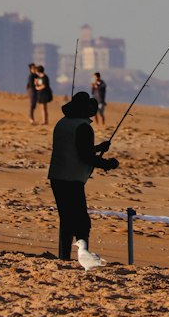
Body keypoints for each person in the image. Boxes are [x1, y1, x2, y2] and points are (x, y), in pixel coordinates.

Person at [48, 90, 119, 267]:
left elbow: (75, 149)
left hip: (57, 176)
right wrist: (107, 164)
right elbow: (85, 156)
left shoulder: (62, 123)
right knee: (81, 221)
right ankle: (81, 256)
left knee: (66, 219)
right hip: (71, 179)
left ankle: (63, 256)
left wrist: (98, 148)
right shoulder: (83, 127)